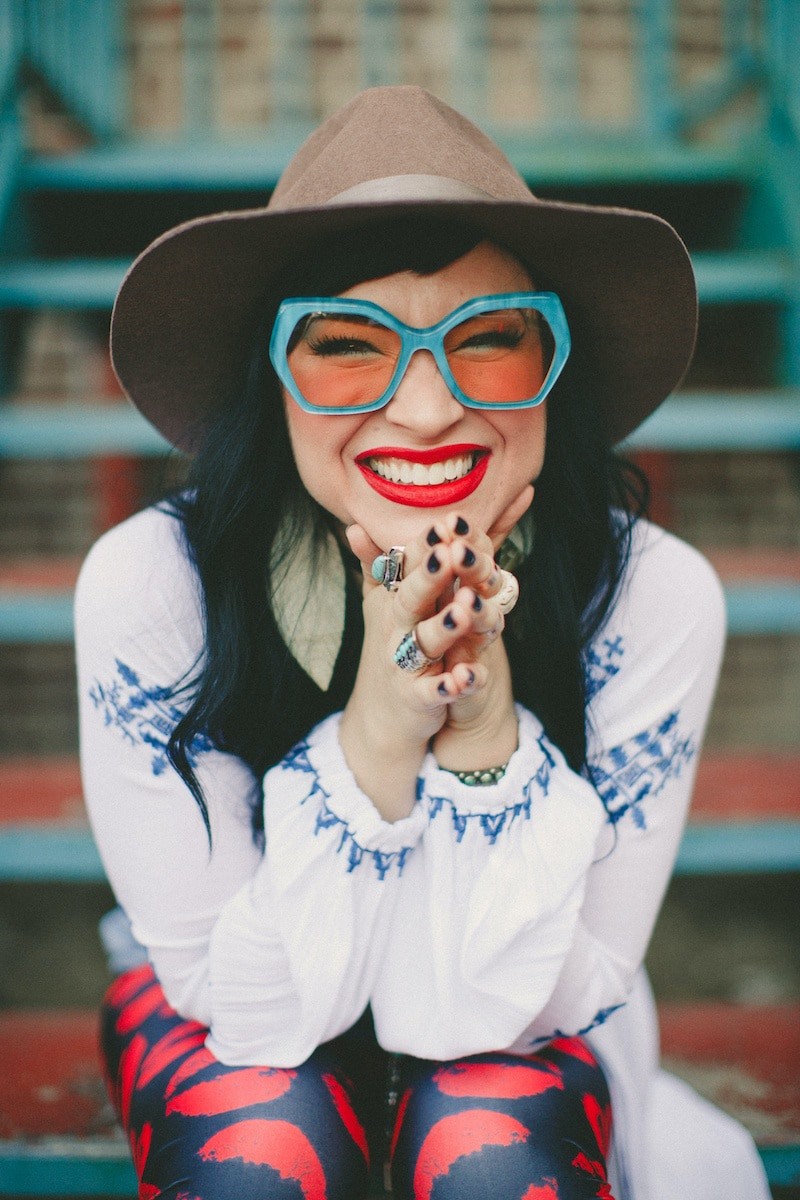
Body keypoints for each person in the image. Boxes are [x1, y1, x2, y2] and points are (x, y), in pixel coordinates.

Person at [75, 86, 770, 1200]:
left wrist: (482, 743)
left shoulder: (647, 598)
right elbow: (236, 1002)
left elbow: (551, 997)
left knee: (487, 1142)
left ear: (557, 371)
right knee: (261, 1148)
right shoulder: (159, 589)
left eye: (488, 343)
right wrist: (373, 739)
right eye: (347, 347)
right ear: (272, 380)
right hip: (233, 1002)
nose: (426, 405)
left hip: (520, 1008)